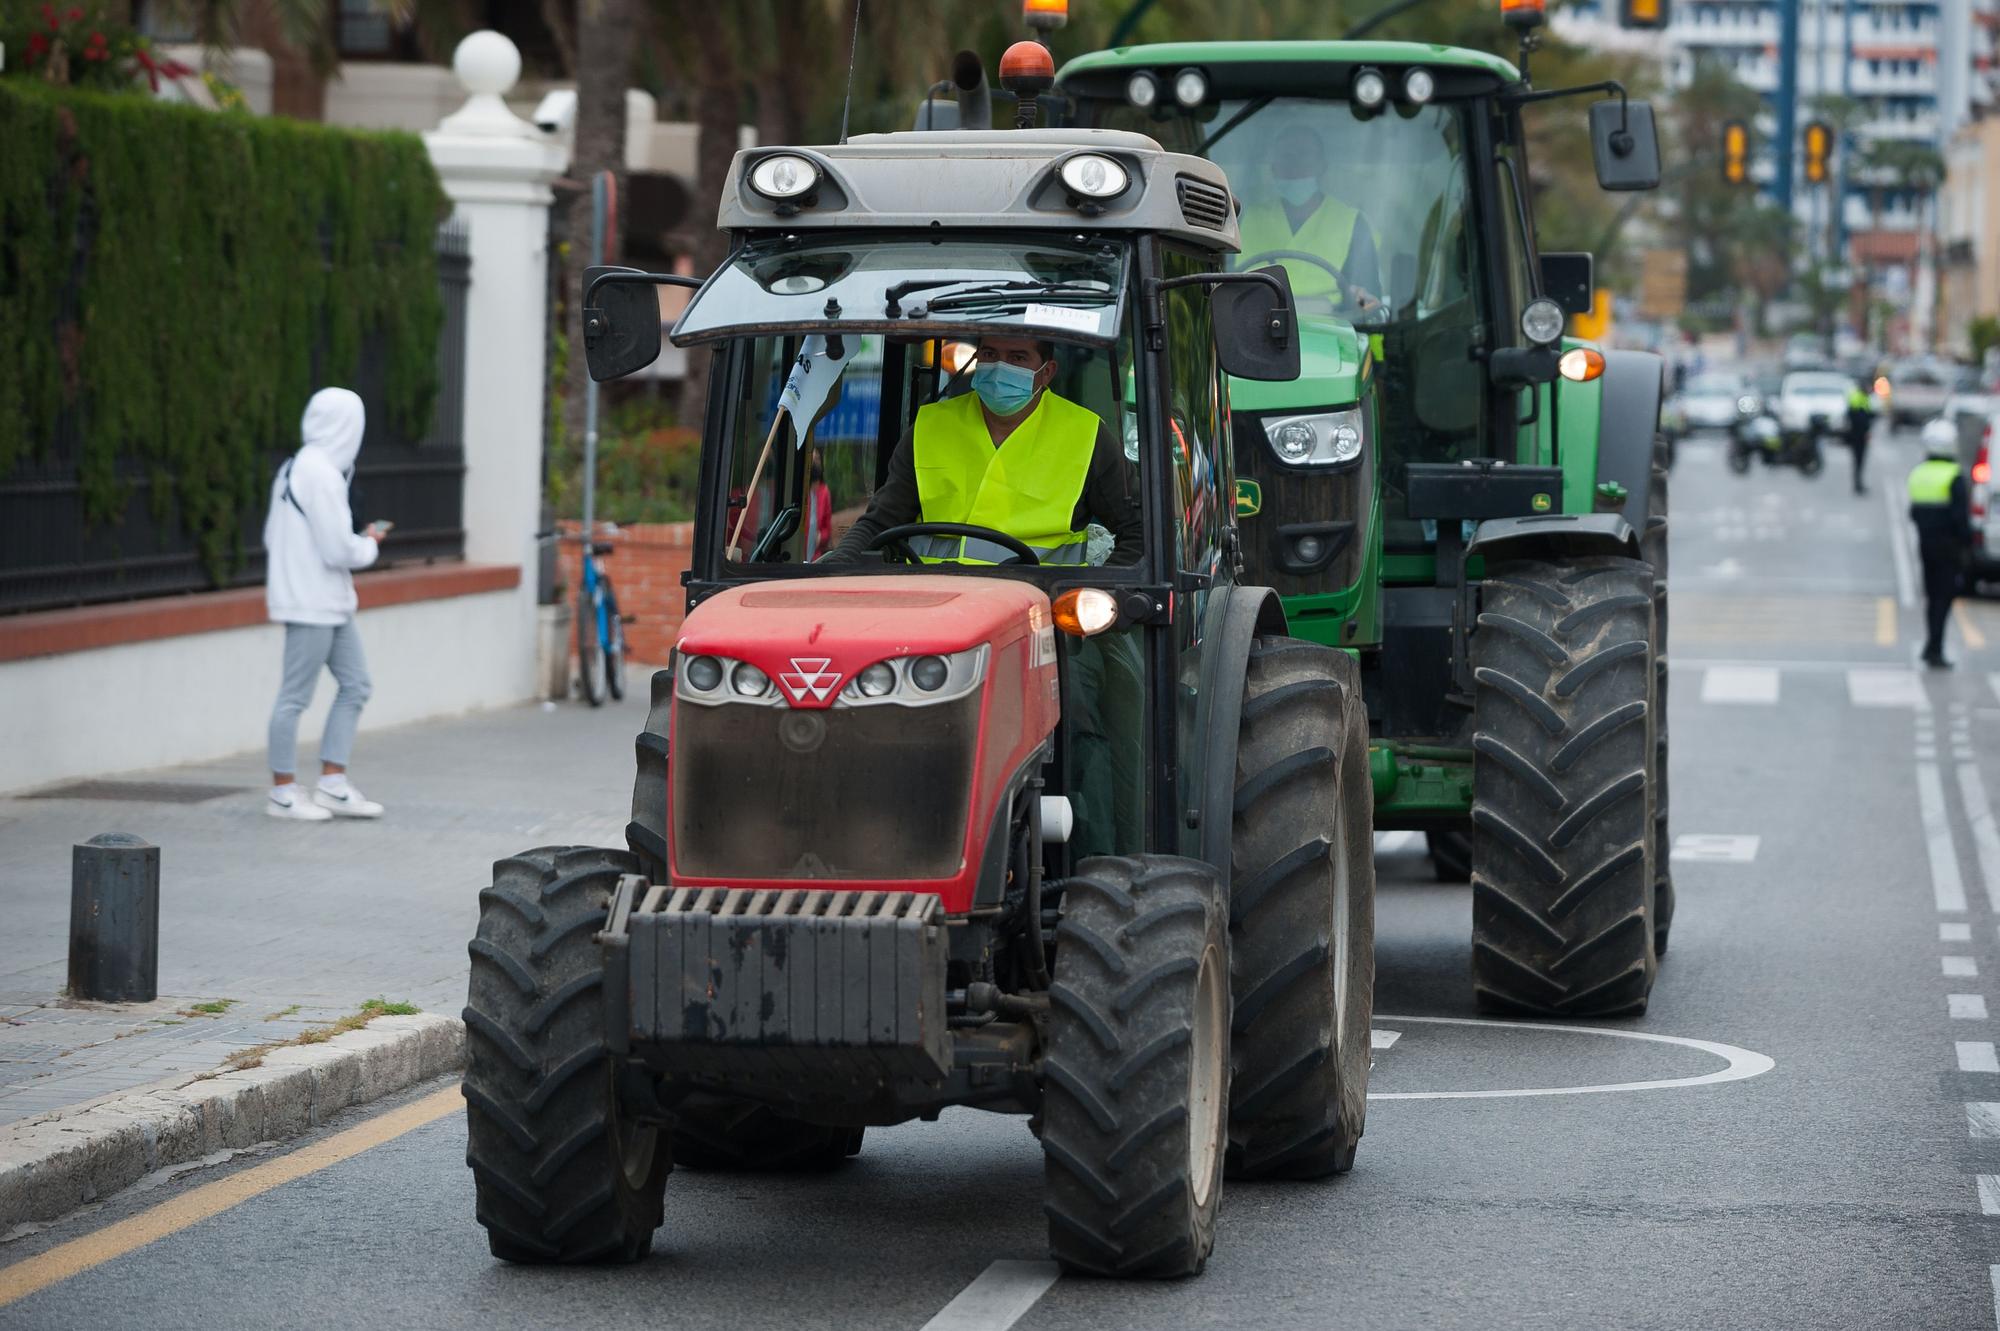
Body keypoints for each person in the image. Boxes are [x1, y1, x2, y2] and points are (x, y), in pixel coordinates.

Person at [827, 334, 1141, 565]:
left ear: (1047, 372)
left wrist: (1095, 599)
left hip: (1045, 621)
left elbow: (1141, 533)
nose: (999, 367)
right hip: (930, 612)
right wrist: (838, 566)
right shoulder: (930, 426)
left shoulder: (1086, 435)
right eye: (990, 354)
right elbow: (881, 523)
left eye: (1017, 358)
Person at [263, 387, 389, 820]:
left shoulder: (294, 468)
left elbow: (270, 536)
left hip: (325, 602)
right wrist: (369, 544)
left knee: (356, 684)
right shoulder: (322, 474)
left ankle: (332, 785)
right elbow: (338, 550)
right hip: (311, 602)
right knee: (294, 698)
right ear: (347, 427)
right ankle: (282, 793)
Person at [1234, 125, 1382, 315]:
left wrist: (1360, 301)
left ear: (1322, 166)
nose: (1295, 166)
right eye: (1287, 157)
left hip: (1334, 335)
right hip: (1251, 330)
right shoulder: (1243, 219)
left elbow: (1370, 304)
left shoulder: (1353, 223)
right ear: (1273, 169)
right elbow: (1220, 285)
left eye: (1304, 155)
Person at [1909, 418, 1971, 669]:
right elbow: (1961, 519)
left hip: (1926, 545)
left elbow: (1912, 513)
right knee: (1944, 599)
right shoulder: (1954, 476)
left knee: (1932, 596)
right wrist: (1967, 547)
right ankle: (1935, 647)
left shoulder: (1918, 474)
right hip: (1949, 548)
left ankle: (1930, 645)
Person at [1845, 377, 1877, 496]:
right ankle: (1857, 484)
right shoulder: (1858, 397)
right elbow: (1859, 417)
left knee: (1859, 460)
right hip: (1858, 434)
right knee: (1858, 460)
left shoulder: (1862, 397)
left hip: (1860, 434)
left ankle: (1858, 483)